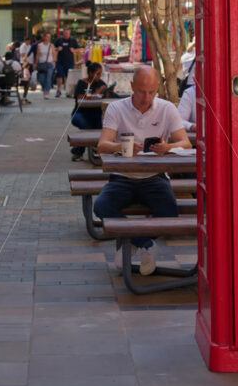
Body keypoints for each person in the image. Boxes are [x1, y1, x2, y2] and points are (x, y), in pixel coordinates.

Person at [94, 66, 191, 275]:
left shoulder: (167, 109)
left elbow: (186, 143)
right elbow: (103, 145)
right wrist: (122, 146)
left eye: (152, 92)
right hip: (122, 177)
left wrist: (168, 147)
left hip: (154, 177)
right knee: (100, 207)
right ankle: (143, 243)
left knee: (170, 213)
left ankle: (131, 244)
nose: (146, 98)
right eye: (141, 91)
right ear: (131, 87)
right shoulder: (116, 108)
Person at [70, 62, 107, 161]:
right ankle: (80, 151)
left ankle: (81, 150)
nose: (99, 76)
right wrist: (97, 92)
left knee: (102, 127)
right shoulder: (81, 84)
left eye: (100, 74)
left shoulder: (101, 83)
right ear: (90, 73)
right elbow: (80, 99)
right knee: (87, 127)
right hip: (81, 113)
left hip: (96, 113)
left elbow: (107, 95)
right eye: (97, 74)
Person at [54, 27, 79, 97]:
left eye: (68, 33)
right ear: (63, 33)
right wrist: (57, 49)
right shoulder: (59, 40)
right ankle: (58, 90)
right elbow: (52, 48)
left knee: (69, 77)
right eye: (65, 33)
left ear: (70, 34)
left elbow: (79, 49)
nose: (66, 35)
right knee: (59, 76)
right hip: (60, 62)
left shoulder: (73, 40)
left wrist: (74, 50)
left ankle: (68, 92)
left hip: (70, 62)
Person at [35, 32, 55, 98]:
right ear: (44, 37)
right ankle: (44, 88)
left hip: (49, 63)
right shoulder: (39, 45)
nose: (48, 38)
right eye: (47, 37)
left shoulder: (51, 45)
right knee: (41, 79)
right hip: (41, 64)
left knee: (48, 78)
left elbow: (54, 54)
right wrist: (36, 64)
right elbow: (37, 55)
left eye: (49, 37)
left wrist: (54, 62)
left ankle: (47, 92)